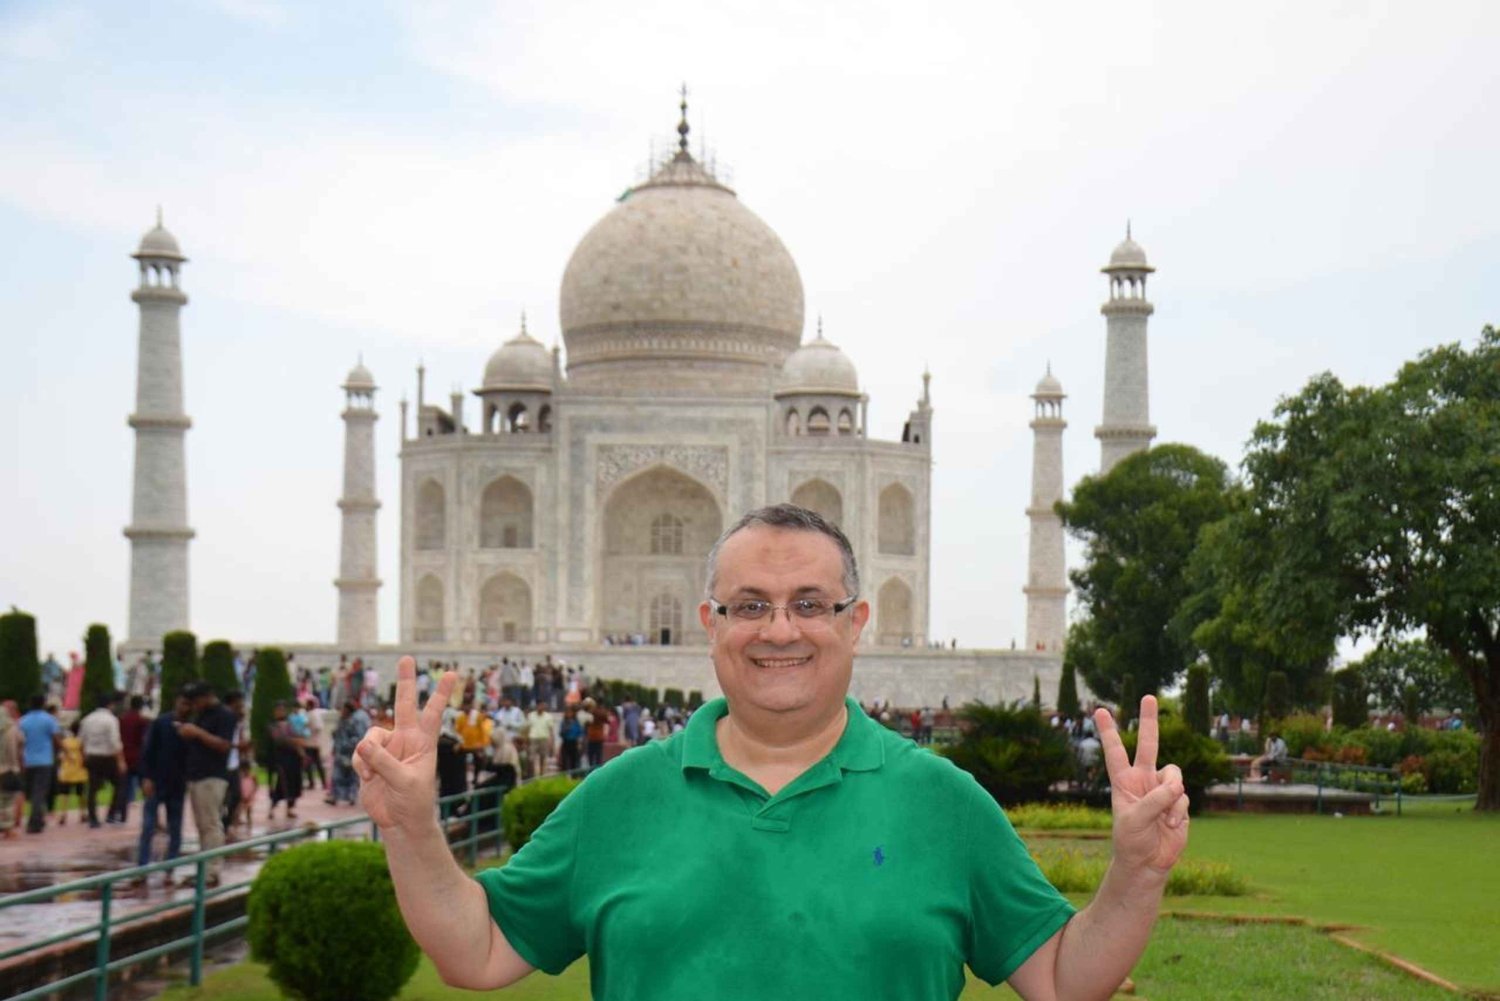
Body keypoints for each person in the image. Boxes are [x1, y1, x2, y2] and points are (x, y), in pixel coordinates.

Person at [354, 504, 1191, 998]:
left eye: (810, 603)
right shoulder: (618, 798)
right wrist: (413, 827)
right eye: (750, 604)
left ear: (857, 621)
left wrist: (1136, 874)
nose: (780, 630)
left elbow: (1060, 977)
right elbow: (476, 950)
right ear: (709, 622)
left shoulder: (944, 803)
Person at [178, 682, 236, 887]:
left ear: (207, 696)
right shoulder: (201, 715)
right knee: (203, 825)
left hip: (213, 776)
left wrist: (198, 733)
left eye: (196, 700)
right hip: (197, 775)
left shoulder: (224, 715)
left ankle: (212, 871)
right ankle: (204, 868)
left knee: (211, 824)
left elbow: (224, 746)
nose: (194, 705)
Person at [137, 691, 191, 874]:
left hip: (177, 783)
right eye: (182, 703)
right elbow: (148, 751)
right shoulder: (161, 723)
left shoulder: (192, 727)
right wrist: (146, 777)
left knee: (175, 827)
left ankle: (170, 866)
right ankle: (142, 866)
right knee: (148, 826)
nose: (185, 708)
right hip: (157, 780)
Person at [78, 694, 125, 828]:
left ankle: (93, 818)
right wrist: (121, 761)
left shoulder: (87, 719)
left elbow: (81, 740)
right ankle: (111, 814)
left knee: (92, 788)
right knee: (119, 784)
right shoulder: (111, 720)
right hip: (107, 756)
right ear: (110, 705)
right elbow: (115, 742)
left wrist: (83, 756)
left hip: (92, 756)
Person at [19, 694, 61, 833]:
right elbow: (56, 739)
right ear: (43, 703)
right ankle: (34, 822)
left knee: (31, 792)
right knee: (40, 791)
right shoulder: (49, 719)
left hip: (28, 760)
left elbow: (20, 741)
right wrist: (57, 750)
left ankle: (39, 817)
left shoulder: (23, 721)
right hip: (44, 760)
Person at [109, 695, 150, 824]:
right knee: (145, 786)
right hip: (138, 757)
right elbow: (145, 740)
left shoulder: (121, 720)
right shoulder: (142, 721)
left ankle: (119, 815)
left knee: (122, 787)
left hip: (124, 756)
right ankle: (150, 815)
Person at [266, 700, 309, 821]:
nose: (281, 712)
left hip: (293, 758)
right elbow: (280, 739)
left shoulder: (289, 723)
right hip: (280, 759)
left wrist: (300, 749)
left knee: (294, 782)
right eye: (278, 710)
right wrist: (295, 741)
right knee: (281, 784)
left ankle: (290, 808)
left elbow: (298, 736)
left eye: (282, 709)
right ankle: (272, 808)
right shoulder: (272, 725)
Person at [327, 699, 371, 805]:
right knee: (337, 776)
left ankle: (351, 796)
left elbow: (358, 736)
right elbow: (337, 736)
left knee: (351, 776)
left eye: (343, 709)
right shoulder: (341, 721)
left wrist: (348, 745)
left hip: (349, 753)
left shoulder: (354, 722)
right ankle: (335, 796)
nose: (342, 711)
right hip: (339, 753)